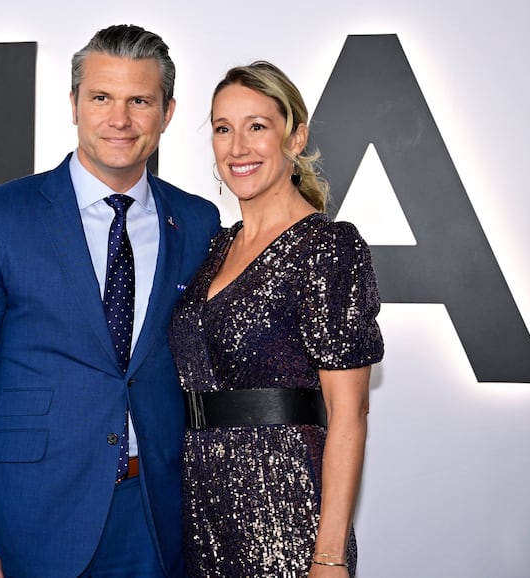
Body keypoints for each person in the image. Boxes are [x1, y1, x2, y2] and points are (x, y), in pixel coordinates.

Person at [0, 24, 220, 578]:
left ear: (167, 113)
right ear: (74, 103)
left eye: (140, 101)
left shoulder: (198, 221)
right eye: (101, 97)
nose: (119, 119)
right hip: (27, 518)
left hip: (157, 517)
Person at [168, 61, 384, 577]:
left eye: (257, 127)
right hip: (200, 509)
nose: (237, 147)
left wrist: (328, 557)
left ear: (296, 137)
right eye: (223, 129)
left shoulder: (327, 247)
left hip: (285, 510)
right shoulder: (213, 247)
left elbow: (349, 413)